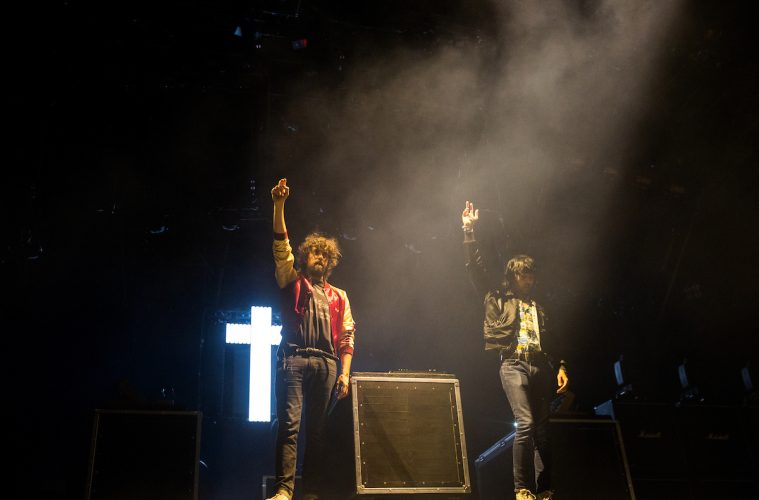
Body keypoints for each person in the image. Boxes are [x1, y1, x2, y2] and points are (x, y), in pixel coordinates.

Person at [462, 201, 569, 500]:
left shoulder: (539, 306)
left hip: (541, 366)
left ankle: (545, 490)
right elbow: (475, 268)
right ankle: (522, 488)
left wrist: (562, 366)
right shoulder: (497, 297)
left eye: (531, 275)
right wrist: (469, 231)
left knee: (543, 431)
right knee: (526, 423)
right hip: (513, 364)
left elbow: (555, 339)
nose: (528, 279)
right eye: (523, 275)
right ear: (512, 276)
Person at [267, 178, 356, 500]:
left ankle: (312, 492)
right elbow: (281, 247)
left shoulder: (339, 296)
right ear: (305, 257)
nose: (319, 257)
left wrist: (345, 373)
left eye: (324, 255)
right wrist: (279, 205)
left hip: (327, 365)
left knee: (316, 433)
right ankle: (284, 490)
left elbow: (347, 336)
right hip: (294, 358)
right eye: (314, 253)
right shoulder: (293, 280)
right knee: (290, 426)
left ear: (330, 262)